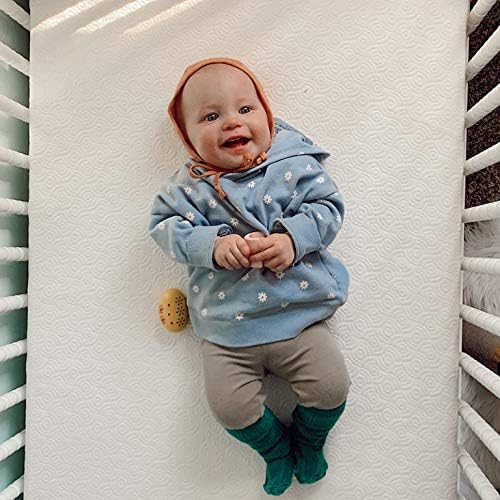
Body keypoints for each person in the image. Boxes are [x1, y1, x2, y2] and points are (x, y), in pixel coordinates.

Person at [149, 57, 351, 496]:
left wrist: (292, 240)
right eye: (210, 117)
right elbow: (164, 228)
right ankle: (275, 451)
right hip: (228, 331)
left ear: (267, 115)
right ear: (187, 137)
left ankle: (309, 440)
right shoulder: (188, 187)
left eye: (245, 109)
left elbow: (329, 208)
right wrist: (211, 245)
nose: (231, 122)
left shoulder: (293, 163)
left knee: (332, 387)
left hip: (298, 316)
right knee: (229, 408)